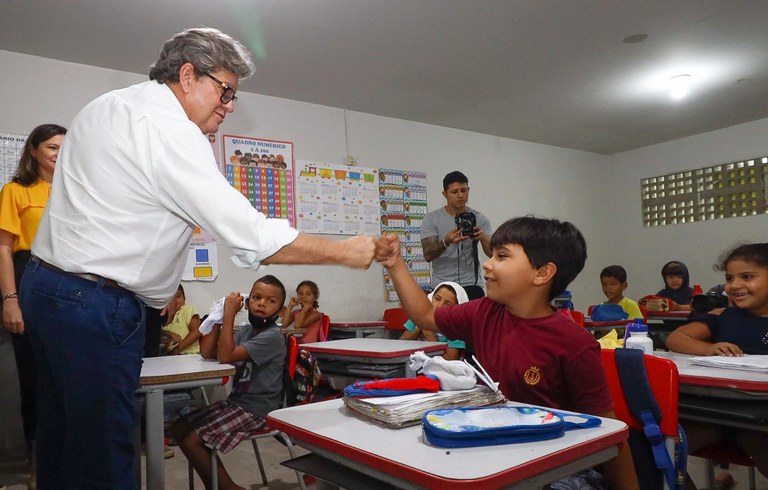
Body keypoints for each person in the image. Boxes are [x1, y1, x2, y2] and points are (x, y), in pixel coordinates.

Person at [18, 27, 376, 490]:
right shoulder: (170, 132)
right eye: (225, 91)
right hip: (96, 304)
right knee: (104, 452)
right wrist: (344, 252)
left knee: (62, 436)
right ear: (187, 75)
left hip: (47, 288)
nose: (229, 105)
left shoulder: (107, 105)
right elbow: (251, 234)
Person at [378, 216, 639, 489]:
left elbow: (610, 431)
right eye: (492, 255)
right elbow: (426, 314)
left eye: (502, 256)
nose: (488, 264)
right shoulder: (485, 311)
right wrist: (395, 264)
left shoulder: (573, 342)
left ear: (542, 274)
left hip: (556, 467)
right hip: (495, 451)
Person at [666, 243, 768, 486]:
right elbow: (675, 338)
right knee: (658, 450)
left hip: (760, 423)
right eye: (730, 278)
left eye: (747, 277)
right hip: (716, 416)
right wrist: (709, 348)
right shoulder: (725, 315)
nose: (734, 285)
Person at [172, 275, 287, 490]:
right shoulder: (247, 331)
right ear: (247, 301)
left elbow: (225, 357)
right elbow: (208, 353)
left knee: (191, 438)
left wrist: (229, 316)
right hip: (237, 403)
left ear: (281, 311)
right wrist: (218, 319)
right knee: (178, 428)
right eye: (256, 297)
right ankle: (215, 485)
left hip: (257, 410)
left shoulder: (272, 337)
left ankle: (230, 488)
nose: (262, 303)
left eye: (271, 301)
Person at [0, 123, 66, 489]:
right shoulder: (16, 191)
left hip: (71, 284)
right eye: (52, 146)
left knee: (66, 379)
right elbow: (4, 248)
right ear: (34, 151)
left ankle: (67, 459)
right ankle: (39, 464)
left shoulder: (77, 192)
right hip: (29, 278)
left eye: (65, 148)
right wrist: (10, 300)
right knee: (36, 380)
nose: (59, 153)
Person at [421, 171, 492, 299]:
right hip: (442, 286)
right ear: (445, 194)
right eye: (454, 192)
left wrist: (482, 238)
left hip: (472, 286)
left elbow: (492, 253)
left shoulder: (479, 218)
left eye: (464, 190)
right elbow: (428, 255)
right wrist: (446, 241)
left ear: (468, 190)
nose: (460, 195)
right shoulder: (432, 219)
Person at [399, 281, 468, 360]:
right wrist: (419, 327)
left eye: (448, 304)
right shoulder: (419, 316)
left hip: (438, 370)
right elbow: (401, 344)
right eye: (437, 299)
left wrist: (430, 336)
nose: (439, 305)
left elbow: (450, 359)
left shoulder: (455, 328)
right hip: (412, 365)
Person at [160, 284, 202, 354]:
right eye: (171, 298)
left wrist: (176, 350)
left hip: (188, 355)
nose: (175, 301)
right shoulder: (163, 314)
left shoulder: (187, 309)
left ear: (184, 298)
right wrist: (167, 333)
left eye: (178, 296)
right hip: (167, 356)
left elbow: (196, 332)